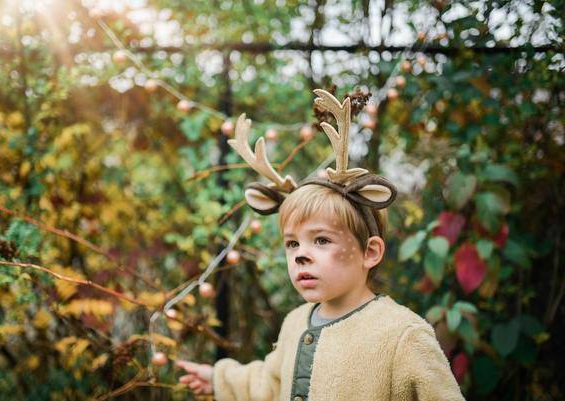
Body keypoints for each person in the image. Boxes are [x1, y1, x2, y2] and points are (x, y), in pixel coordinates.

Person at [175, 90, 466, 401]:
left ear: (370, 252)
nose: (300, 255)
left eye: (322, 240)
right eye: (291, 243)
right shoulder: (296, 323)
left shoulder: (402, 336)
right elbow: (270, 383)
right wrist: (219, 379)